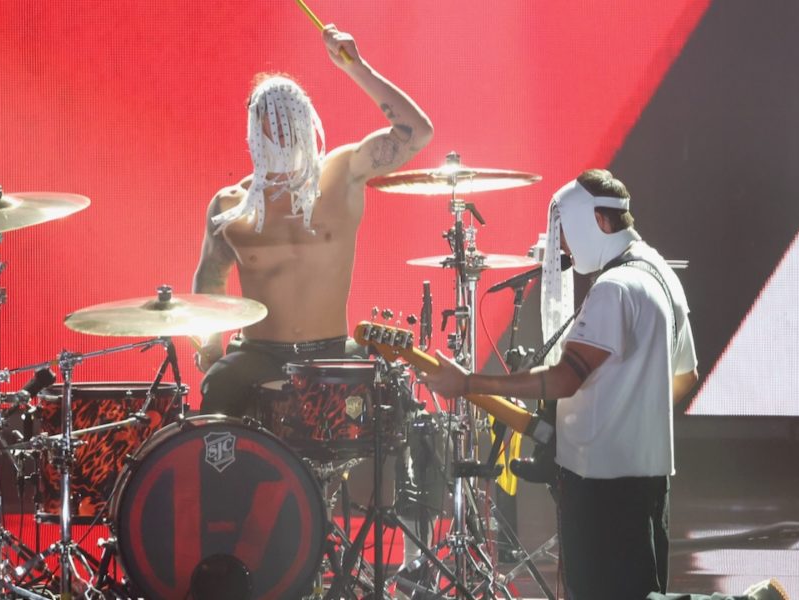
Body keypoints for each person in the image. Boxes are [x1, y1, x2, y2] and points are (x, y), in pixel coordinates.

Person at [421, 169, 700, 600]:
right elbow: (686, 377)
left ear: (599, 223)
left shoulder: (613, 288)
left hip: (601, 484)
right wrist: (634, 418)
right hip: (649, 478)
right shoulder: (662, 274)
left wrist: (467, 381)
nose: (563, 248)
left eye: (566, 234)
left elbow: (564, 379)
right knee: (643, 592)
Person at [191, 25, 433, 419]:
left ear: (307, 118)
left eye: (289, 115)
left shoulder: (342, 173)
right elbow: (210, 279)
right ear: (255, 127)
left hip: (332, 352)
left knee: (385, 412)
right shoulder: (231, 204)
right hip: (256, 354)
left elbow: (417, 132)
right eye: (270, 117)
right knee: (216, 392)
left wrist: (356, 67)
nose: (281, 127)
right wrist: (210, 345)